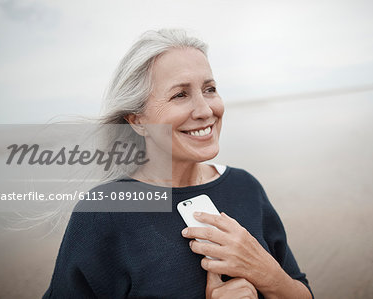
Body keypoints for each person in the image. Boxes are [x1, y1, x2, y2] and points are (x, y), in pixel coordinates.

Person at [43, 28, 313, 299]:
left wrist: (270, 275)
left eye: (210, 89)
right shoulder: (105, 212)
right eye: (180, 95)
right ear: (137, 121)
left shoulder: (246, 187)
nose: (206, 110)